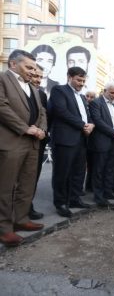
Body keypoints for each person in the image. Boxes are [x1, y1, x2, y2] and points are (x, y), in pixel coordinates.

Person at [0, 49, 47, 246]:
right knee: (5, 186)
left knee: (27, 184)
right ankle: (4, 228)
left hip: (32, 143)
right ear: (13, 64)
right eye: (28, 67)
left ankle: (21, 220)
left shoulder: (33, 88)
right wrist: (26, 129)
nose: (32, 71)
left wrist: (42, 130)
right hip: (12, 141)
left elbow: (42, 111)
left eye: (34, 68)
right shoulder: (3, 79)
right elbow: (2, 106)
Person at [48, 67, 94, 218]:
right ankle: (60, 203)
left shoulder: (81, 97)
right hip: (64, 139)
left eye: (83, 81)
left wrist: (91, 124)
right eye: (78, 80)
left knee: (78, 172)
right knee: (62, 172)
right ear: (69, 77)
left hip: (81, 139)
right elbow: (62, 112)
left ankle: (74, 199)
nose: (81, 83)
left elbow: (87, 115)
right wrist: (83, 125)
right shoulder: (59, 90)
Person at [88, 82, 114, 207]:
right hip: (101, 141)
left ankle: (108, 192)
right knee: (99, 170)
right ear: (105, 91)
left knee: (110, 169)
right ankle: (98, 196)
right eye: (112, 93)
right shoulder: (96, 103)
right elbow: (98, 121)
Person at [29, 64, 48, 220]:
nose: (38, 80)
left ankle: (28, 206)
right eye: (36, 76)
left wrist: (42, 130)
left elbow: (44, 115)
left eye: (41, 77)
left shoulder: (42, 94)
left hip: (38, 141)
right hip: (17, 140)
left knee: (32, 176)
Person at [84, 90, 97, 193]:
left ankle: (89, 186)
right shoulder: (81, 106)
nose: (89, 98)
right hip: (80, 140)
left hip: (92, 141)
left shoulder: (95, 108)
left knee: (92, 165)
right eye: (87, 96)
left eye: (92, 97)